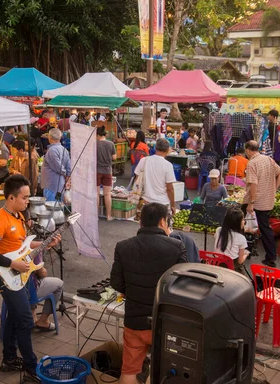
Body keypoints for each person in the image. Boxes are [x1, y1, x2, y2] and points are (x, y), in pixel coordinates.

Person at [0, 175, 61, 382]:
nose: (27, 202)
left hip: (20, 275)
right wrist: (14, 264)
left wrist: (46, 243)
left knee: (13, 319)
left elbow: (22, 245)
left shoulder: (17, 215)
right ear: (10, 197)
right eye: (24, 198)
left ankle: (8, 359)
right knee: (26, 322)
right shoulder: (1, 220)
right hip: (6, 276)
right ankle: (30, 367)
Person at [110, 202, 187, 384]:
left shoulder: (123, 246)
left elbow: (116, 282)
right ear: (163, 221)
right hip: (164, 323)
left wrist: (133, 290)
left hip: (134, 321)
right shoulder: (177, 246)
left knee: (128, 372)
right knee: (159, 370)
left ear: (141, 222)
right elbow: (183, 286)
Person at [243, 140, 280, 268]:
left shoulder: (252, 163)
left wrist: (251, 202)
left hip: (257, 202)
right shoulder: (268, 159)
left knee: (245, 225)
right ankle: (270, 257)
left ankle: (245, 251)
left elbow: (253, 184)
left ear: (248, 150)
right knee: (265, 228)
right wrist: (274, 188)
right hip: (268, 200)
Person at [134, 138, 176, 212]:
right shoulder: (168, 165)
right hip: (162, 203)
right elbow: (170, 188)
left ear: (155, 148)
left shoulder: (144, 160)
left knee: (145, 223)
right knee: (161, 223)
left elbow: (137, 179)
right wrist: (173, 205)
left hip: (145, 201)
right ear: (167, 150)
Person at [214, 208, 248, 274]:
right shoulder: (241, 238)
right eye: (243, 219)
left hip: (217, 264)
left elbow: (216, 237)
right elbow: (240, 261)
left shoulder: (218, 230)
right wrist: (246, 254)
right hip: (231, 268)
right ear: (238, 223)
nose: (244, 221)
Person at [41, 128, 71, 202]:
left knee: (52, 209)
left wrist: (66, 176)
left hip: (52, 185)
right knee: (58, 208)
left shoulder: (52, 151)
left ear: (49, 138)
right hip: (59, 184)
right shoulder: (64, 150)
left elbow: (59, 168)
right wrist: (67, 177)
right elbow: (68, 168)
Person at [96, 126, 117, 221]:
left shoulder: (94, 144)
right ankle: (108, 216)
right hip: (108, 171)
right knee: (107, 194)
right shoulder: (111, 144)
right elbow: (114, 157)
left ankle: (95, 216)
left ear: (98, 135)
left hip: (96, 171)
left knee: (95, 194)